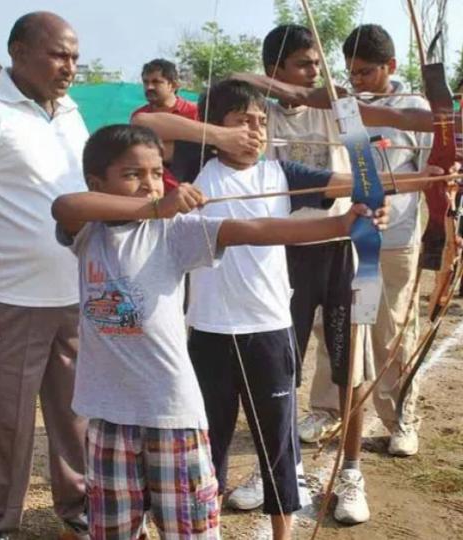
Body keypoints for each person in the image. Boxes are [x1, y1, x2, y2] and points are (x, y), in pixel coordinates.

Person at [52, 123, 391, 540]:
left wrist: (343, 226)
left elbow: (257, 230)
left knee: (188, 530)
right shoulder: (89, 233)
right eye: (132, 175)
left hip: (172, 412)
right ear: (97, 182)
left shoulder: (175, 232)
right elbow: (64, 205)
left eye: (158, 173)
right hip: (108, 416)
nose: (149, 185)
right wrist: (154, 207)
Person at [139, 79, 445, 538]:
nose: (256, 131)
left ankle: (283, 532)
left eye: (261, 122)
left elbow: (361, 181)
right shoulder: (194, 164)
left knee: (278, 444)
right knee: (209, 443)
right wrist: (219, 138)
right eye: (243, 121)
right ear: (215, 126)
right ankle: (209, 527)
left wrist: (432, 176)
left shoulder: (281, 173)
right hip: (208, 331)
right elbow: (143, 121)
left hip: (269, 327)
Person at [0, 11, 88, 539]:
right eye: (57, 54)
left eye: (74, 56)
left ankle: (81, 510)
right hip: (8, 301)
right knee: (2, 426)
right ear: (18, 51)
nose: (68, 66)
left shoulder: (72, 114)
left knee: (78, 417)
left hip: (75, 296)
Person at [344, 24, 430, 457]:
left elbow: (433, 172)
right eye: (351, 73)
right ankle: (331, 410)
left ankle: (401, 418)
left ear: (390, 66)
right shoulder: (345, 106)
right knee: (341, 325)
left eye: (365, 73)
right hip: (348, 233)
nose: (357, 81)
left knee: (391, 328)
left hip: (396, 236)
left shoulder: (416, 107)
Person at [130, 59, 198, 193]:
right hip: (153, 191)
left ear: (173, 85)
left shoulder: (194, 112)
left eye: (156, 82)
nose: (149, 87)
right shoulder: (140, 116)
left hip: (191, 186)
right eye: (146, 82)